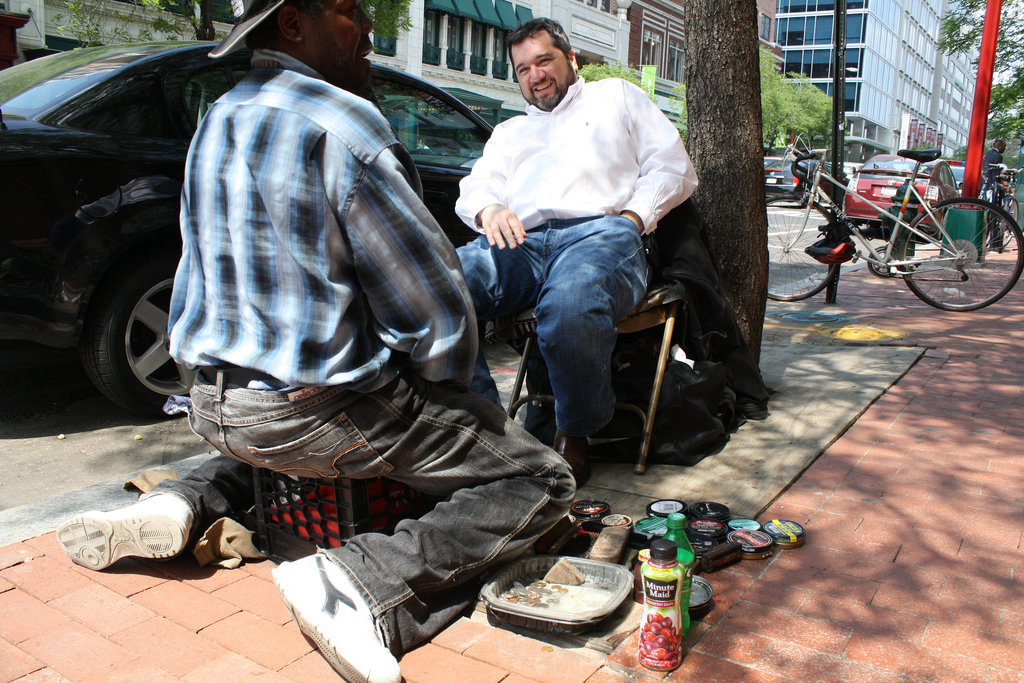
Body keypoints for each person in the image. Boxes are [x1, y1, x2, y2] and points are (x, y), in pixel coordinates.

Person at [54, 1, 575, 681]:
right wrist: (447, 392)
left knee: (296, 427)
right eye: (346, 11)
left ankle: (182, 499)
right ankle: (356, 580)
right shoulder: (343, 123)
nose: (366, 28)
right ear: (294, 23)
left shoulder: (220, 117)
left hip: (214, 406)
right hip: (315, 412)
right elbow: (437, 316)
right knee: (541, 476)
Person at [454, 18, 698, 484]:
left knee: (569, 306)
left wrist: (632, 219)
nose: (535, 75)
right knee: (437, 286)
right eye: (523, 69)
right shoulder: (509, 133)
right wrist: (488, 209)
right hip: (522, 243)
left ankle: (575, 431)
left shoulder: (618, 97)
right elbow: (476, 186)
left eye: (544, 60)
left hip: (600, 235)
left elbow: (672, 168)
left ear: (570, 59)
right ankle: (488, 431)